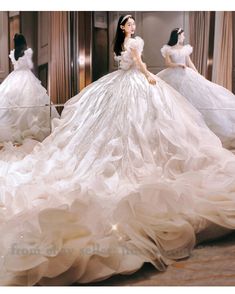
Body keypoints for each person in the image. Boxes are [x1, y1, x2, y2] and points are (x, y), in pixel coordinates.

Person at [1, 15, 235, 286]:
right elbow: (138, 63)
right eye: (129, 24)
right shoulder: (133, 43)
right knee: (131, 126)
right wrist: (148, 75)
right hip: (133, 82)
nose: (133, 27)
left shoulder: (125, 44)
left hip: (123, 82)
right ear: (123, 28)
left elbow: (130, 61)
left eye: (134, 23)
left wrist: (144, 72)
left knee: (136, 125)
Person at [157, 28, 235, 149]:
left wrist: (198, 74)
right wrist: (178, 65)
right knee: (173, 100)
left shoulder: (185, 49)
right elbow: (167, 64)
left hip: (185, 74)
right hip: (172, 75)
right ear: (177, 36)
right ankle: (177, 127)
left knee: (192, 99)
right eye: (182, 35)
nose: (183, 37)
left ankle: (193, 127)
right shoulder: (168, 49)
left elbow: (190, 62)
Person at [0, 33, 59, 145]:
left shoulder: (13, 53)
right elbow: (30, 65)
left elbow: (16, 64)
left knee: (11, 101)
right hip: (26, 75)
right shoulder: (27, 51)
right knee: (30, 99)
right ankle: (28, 127)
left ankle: (17, 128)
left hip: (14, 76)